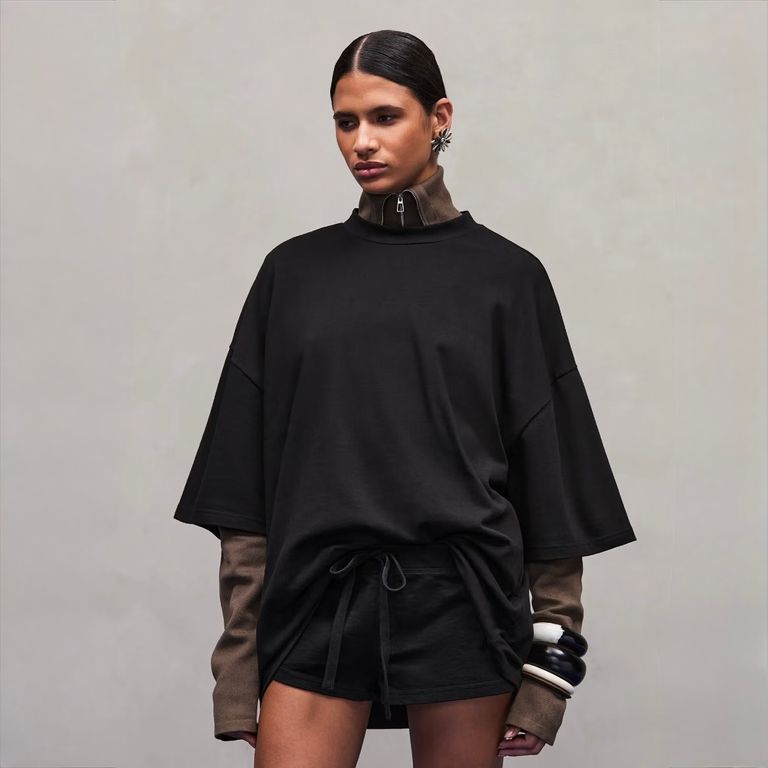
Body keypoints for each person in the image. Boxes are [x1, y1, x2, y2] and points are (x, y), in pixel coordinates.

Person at [173, 29, 637, 768]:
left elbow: (552, 491)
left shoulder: (507, 279)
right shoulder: (292, 276)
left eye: (385, 116)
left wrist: (548, 678)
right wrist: (236, 675)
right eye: (345, 121)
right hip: (316, 601)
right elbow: (242, 498)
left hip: (464, 607)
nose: (362, 141)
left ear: (439, 117)